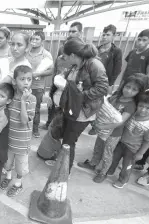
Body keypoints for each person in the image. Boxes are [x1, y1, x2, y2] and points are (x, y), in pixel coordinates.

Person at [49, 38, 109, 171]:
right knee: (65, 138)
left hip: (83, 112)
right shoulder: (76, 65)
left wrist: (79, 95)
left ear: (72, 55)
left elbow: (103, 88)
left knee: (69, 142)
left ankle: (65, 171)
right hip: (72, 109)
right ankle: (62, 163)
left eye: (65, 56)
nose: (63, 59)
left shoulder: (94, 64)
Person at [78, 74, 148, 183]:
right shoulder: (115, 96)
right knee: (98, 148)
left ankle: (103, 172)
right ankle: (93, 163)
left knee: (107, 153)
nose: (129, 91)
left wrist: (102, 126)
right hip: (102, 129)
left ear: (138, 92)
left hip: (114, 134)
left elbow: (120, 122)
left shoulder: (131, 105)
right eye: (127, 87)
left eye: (134, 90)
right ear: (123, 85)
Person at [107, 91, 149, 189]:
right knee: (114, 158)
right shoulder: (133, 113)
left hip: (132, 149)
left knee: (126, 166)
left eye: (148, 108)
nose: (143, 110)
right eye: (141, 106)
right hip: (120, 143)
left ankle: (122, 180)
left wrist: (140, 153)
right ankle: (110, 170)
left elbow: (147, 141)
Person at [0, 65, 36, 197]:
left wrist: (23, 101)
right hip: (9, 139)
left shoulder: (31, 99)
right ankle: (8, 177)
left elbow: (24, 121)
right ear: (14, 81)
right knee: (7, 162)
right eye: (22, 79)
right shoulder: (11, 97)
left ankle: (18, 184)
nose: (26, 82)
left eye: (29, 79)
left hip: (22, 142)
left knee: (20, 167)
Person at [41, 22, 83, 130]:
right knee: (52, 104)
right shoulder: (61, 52)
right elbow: (57, 64)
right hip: (57, 82)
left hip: (67, 86)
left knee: (63, 106)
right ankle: (49, 123)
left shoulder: (81, 52)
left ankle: (59, 127)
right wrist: (56, 78)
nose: (71, 33)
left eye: (74, 31)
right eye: (70, 31)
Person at [88, 24, 123, 135]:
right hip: (93, 81)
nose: (104, 37)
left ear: (113, 36)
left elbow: (117, 69)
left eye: (108, 35)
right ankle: (92, 123)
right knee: (91, 102)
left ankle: (98, 125)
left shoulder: (116, 51)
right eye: (103, 34)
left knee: (101, 105)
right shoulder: (97, 49)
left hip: (105, 83)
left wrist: (110, 84)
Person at [26, 31, 53, 138]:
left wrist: (39, 73)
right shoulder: (26, 52)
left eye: (37, 39)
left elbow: (51, 70)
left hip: (37, 86)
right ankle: (25, 127)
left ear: (42, 41)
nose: (34, 41)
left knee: (35, 108)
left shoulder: (46, 54)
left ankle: (35, 129)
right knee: (24, 106)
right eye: (32, 39)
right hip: (25, 85)